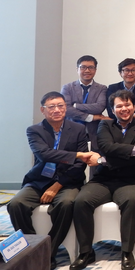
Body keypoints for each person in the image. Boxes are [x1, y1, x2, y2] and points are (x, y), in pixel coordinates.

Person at [70, 90, 135, 270]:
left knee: (132, 200)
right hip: (103, 179)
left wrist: (105, 158)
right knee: (81, 200)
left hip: (132, 181)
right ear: (112, 109)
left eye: (127, 105)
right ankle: (86, 251)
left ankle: (127, 251)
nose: (124, 109)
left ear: (133, 106)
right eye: (119, 106)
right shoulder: (105, 126)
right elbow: (106, 147)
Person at [8, 92, 94, 270]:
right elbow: (44, 154)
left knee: (66, 203)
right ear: (43, 110)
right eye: (52, 106)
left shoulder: (78, 129)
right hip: (39, 180)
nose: (57, 110)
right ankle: (33, 247)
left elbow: (80, 165)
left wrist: (57, 185)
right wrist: (77, 154)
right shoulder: (34, 130)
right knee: (16, 204)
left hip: (68, 181)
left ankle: (49, 251)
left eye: (61, 106)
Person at [61, 55, 111, 152]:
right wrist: (91, 117)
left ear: (95, 70)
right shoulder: (67, 87)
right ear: (77, 69)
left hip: (93, 133)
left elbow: (99, 107)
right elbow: (66, 109)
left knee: (92, 163)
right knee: (71, 161)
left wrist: (76, 106)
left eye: (91, 67)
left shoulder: (102, 88)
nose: (87, 70)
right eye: (83, 67)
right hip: (71, 131)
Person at [106, 58, 135, 122]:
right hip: (116, 125)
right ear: (120, 73)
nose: (130, 73)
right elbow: (111, 112)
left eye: (133, 70)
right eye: (126, 70)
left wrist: (122, 113)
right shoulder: (112, 88)